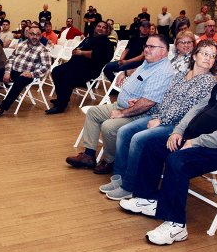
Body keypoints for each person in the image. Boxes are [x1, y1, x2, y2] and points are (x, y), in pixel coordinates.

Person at [120, 46, 217, 245]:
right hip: (197, 140)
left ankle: (176, 225)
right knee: (153, 145)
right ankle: (148, 198)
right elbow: (198, 107)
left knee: (178, 161)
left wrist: (196, 141)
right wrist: (179, 130)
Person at [100, 40, 217, 200]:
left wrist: (160, 121)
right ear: (195, 55)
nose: (208, 58)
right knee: (124, 131)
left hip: (178, 126)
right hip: (161, 116)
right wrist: (145, 105)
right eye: (205, 53)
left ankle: (129, 186)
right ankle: (120, 177)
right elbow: (166, 97)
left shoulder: (209, 81)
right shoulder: (182, 75)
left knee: (138, 139)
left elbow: (188, 109)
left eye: (212, 55)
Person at [65, 35, 175, 174]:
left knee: (109, 127)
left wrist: (122, 113)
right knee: (93, 113)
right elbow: (137, 75)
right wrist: (124, 72)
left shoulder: (163, 71)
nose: (146, 49)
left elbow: (148, 103)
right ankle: (89, 155)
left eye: (151, 47)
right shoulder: (149, 62)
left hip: (138, 114)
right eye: (146, 46)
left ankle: (110, 161)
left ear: (164, 51)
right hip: (122, 106)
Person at [46, 21, 114, 114]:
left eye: (103, 27)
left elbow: (97, 55)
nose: (100, 28)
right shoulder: (88, 39)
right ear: (95, 28)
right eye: (99, 26)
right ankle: (62, 97)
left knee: (67, 76)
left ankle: (61, 106)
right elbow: (79, 47)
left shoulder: (107, 44)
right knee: (56, 71)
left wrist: (81, 53)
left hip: (89, 69)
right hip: (74, 65)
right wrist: (75, 50)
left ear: (107, 31)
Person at [0, 26, 51, 118]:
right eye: (32, 34)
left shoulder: (43, 49)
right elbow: (11, 59)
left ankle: (2, 108)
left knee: (19, 81)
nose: (35, 37)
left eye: (38, 35)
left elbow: (46, 67)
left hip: (27, 74)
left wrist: (32, 74)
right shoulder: (21, 44)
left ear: (40, 36)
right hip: (13, 70)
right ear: (28, 34)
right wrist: (7, 72)